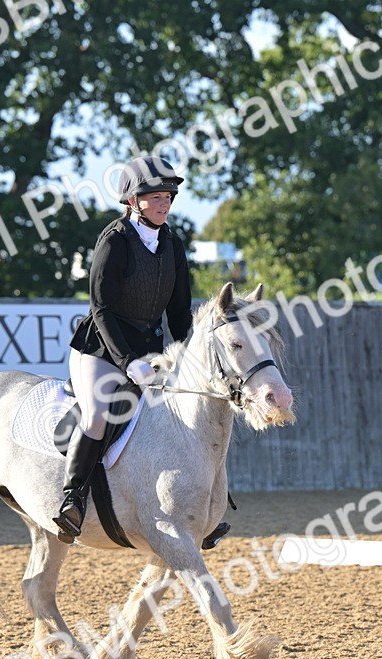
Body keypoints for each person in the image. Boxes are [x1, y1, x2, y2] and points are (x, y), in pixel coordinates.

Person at [53, 155, 229, 548]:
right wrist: (127, 361)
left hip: (151, 352)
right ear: (134, 201)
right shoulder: (114, 240)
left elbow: (179, 313)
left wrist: (189, 359)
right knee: (98, 413)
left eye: (168, 197)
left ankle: (201, 507)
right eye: (156, 197)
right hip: (101, 349)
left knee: (189, 413)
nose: (165, 203)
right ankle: (73, 498)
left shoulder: (172, 244)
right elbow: (101, 308)